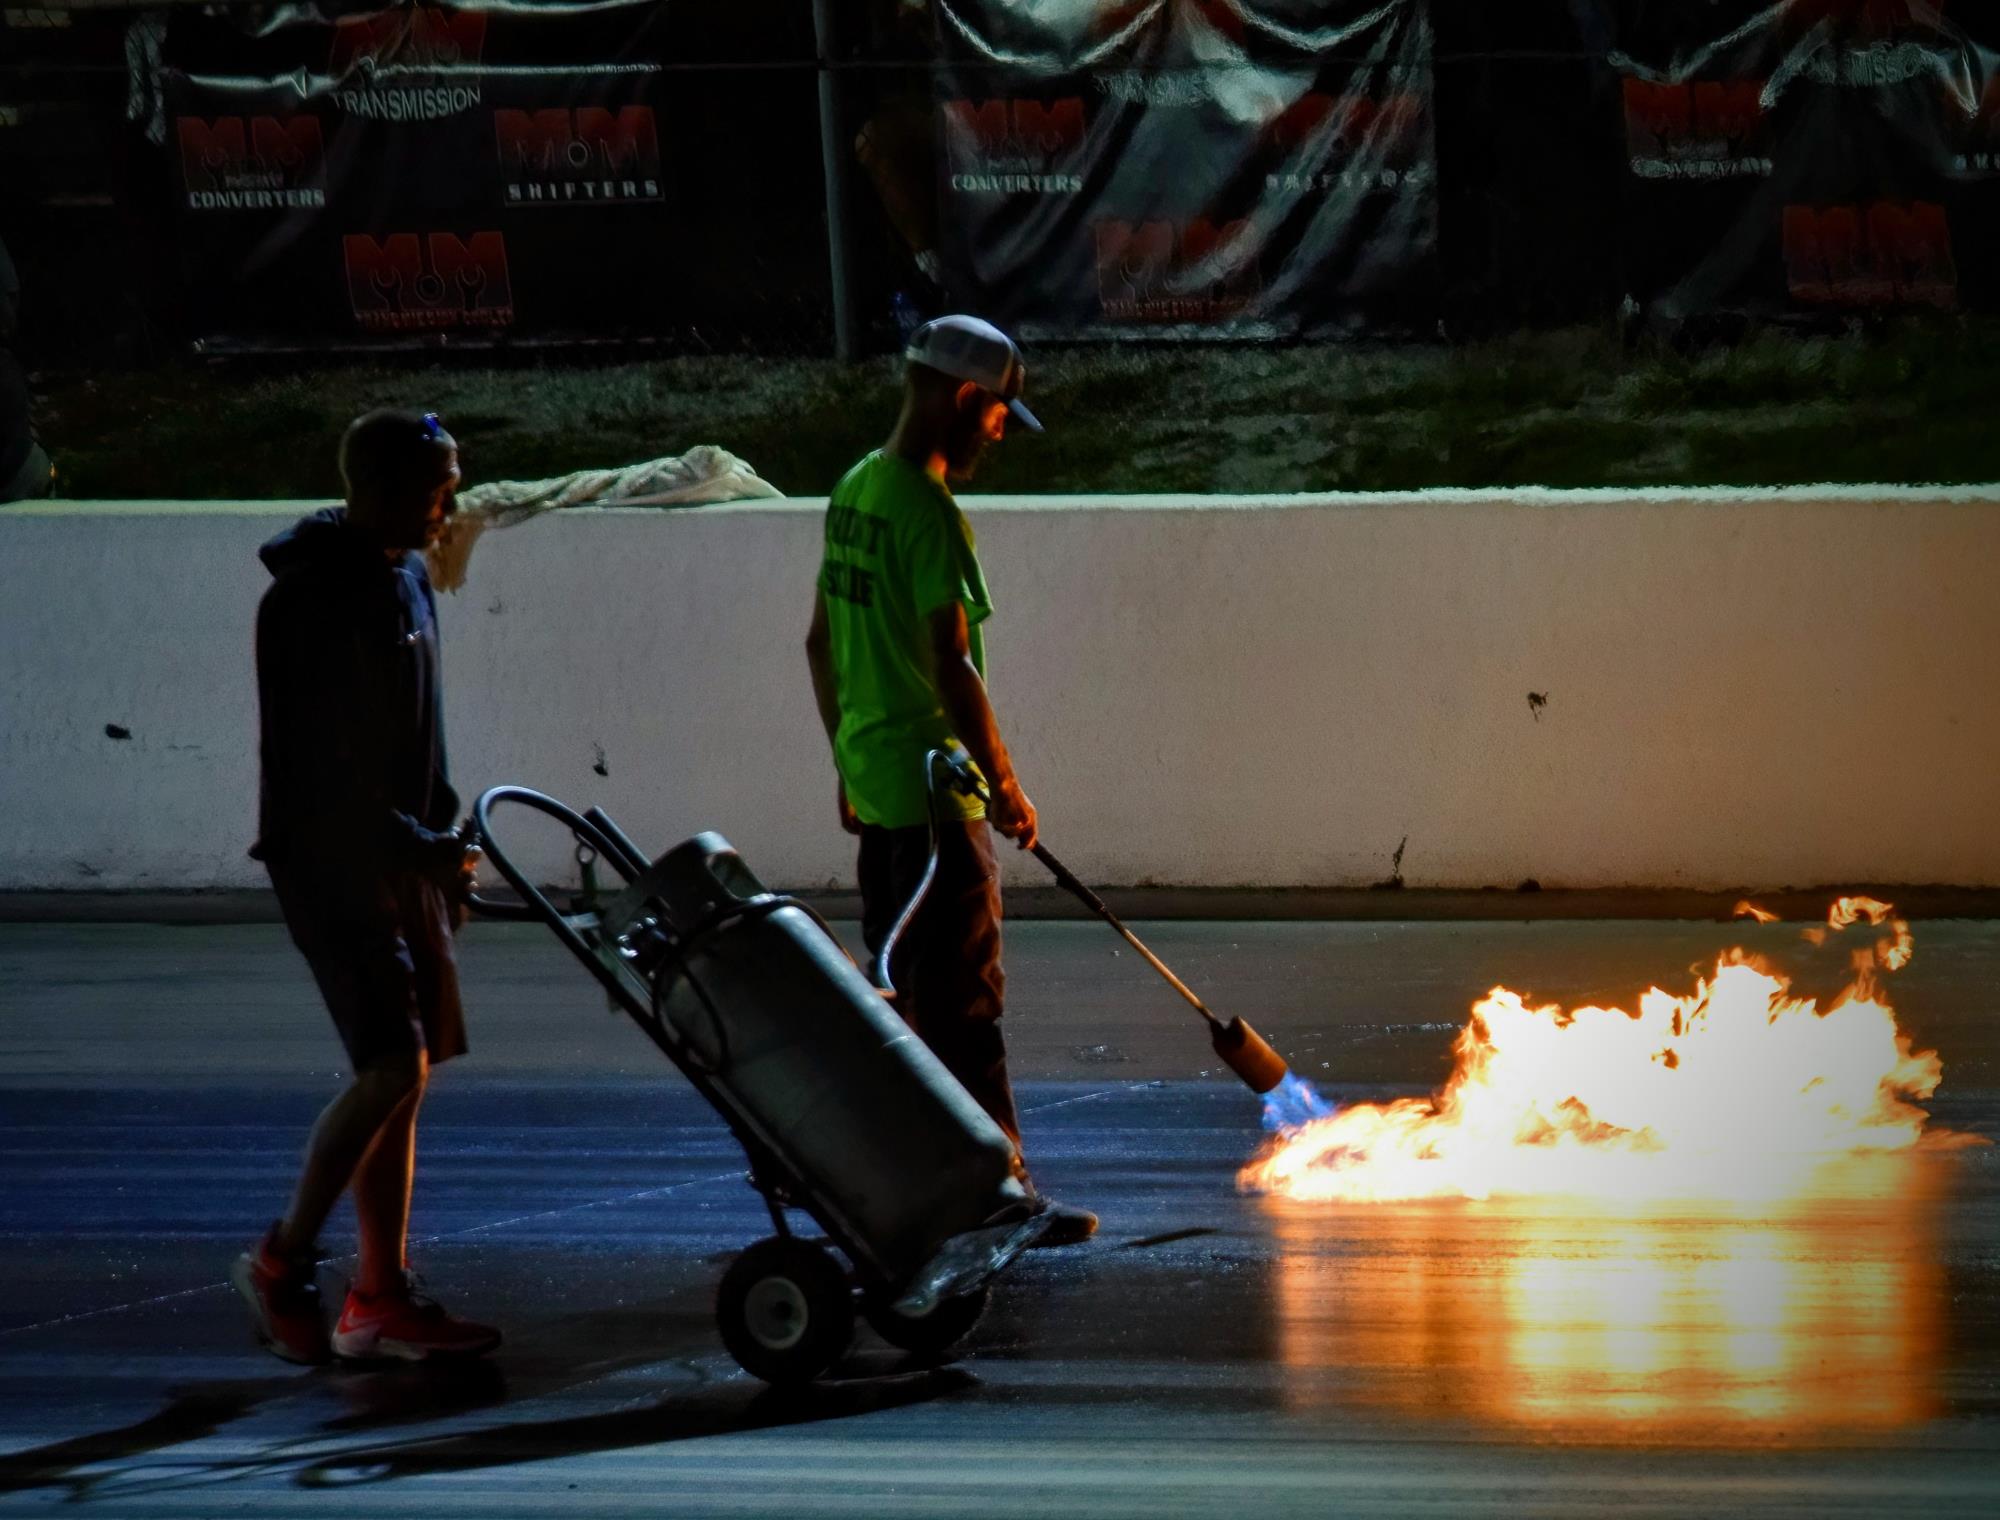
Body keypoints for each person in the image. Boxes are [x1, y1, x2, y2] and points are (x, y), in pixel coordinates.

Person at [805, 314, 1096, 1247]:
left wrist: (845, 762)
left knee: (905, 1007)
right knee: (966, 1006)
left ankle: (914, 1187)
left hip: (881, 793)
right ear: (967, 398)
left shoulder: (856, 487)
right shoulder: (929, 514)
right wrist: (1005, 786)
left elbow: (819, 644)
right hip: (938, 800)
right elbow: (952, 662)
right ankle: (999, 1196)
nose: (1000, 433)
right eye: (1000, 413)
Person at [232, 409, 499, 1364]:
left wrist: (442, 840)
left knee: (405, 1078)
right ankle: (282, 1260)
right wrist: (421, 848)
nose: (448, 509)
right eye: (436, 490)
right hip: (332, 865)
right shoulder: (308, 604)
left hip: (402, 857)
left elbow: (419, 729)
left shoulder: (407, 577)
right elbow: (323, 777)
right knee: (392, 1064)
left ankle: (379, 1296)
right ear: (378, 490)